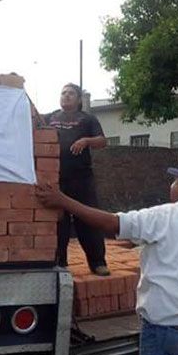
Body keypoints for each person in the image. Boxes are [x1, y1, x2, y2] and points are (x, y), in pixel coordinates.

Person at [36, 161, 178, 355]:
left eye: (174, 182)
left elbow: (112, 223)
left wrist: (63, 201)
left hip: (168, 327)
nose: (172, 187)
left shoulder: (165, 216)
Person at [43, 83, 110, 276]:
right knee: (59, 222)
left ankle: (98, 262)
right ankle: (60, 263)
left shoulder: (88, 119)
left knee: (88, 219)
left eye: (71, 93)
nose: (66, 96)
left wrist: (86, 141)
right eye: (63, 93)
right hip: (56, 179)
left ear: (79, 99)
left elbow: (102, 141)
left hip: (81, 179)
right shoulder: (50, 117)